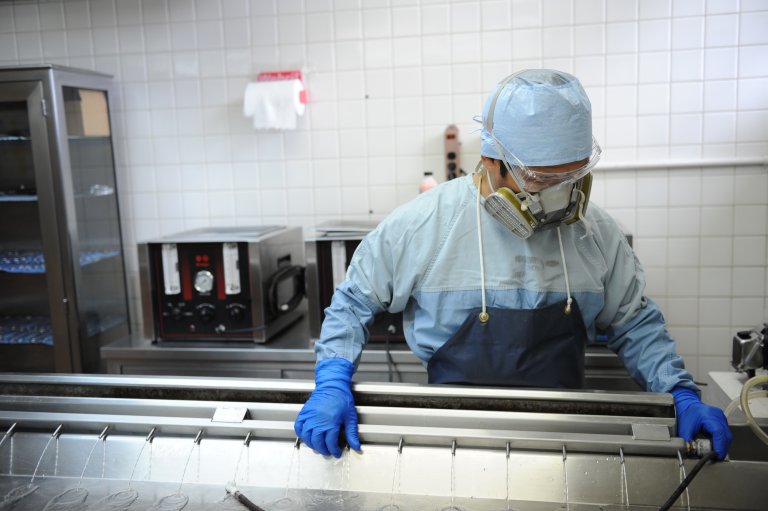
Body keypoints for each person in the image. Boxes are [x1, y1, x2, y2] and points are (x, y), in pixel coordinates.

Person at [294, 69, 732, 460]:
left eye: (572, 178)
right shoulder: (424, 225)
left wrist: (679, 392)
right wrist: (332, 380)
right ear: (491, 162)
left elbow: (634, 323)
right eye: (541, 180)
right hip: (451, 436)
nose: (559, 198)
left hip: (567, 438)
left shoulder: (595, 233)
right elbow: (353, 303)